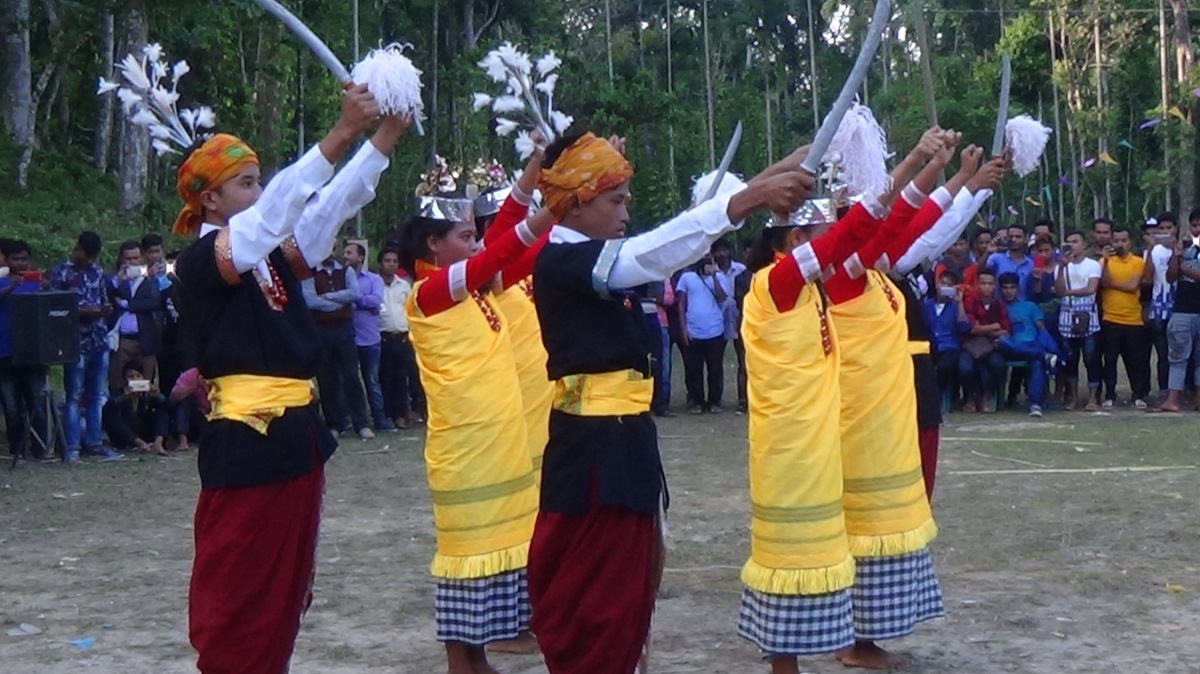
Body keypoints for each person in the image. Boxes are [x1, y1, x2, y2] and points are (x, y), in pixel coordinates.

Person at [527, 129, 815, 674]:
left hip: (621, 441)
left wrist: (769, 175)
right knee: (594, 604)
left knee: (624, 596)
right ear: (579, 201)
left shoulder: (585, 256)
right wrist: (753, 197)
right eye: (615, 199)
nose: (626, 209)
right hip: (593, 453)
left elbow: (676, 234)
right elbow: (655, 252)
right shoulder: (562, 262)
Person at [173, 86, 406, 674]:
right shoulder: (205, 262)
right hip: (247, 445)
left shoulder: (268, 258)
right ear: (210, 202)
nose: (260, 191)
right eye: (246, 183)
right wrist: (340, 132)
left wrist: (382, 140)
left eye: (258, 180)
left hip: (295, 438)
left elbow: (324, 212)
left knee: (284, 592)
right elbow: (279, 210)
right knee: (241, 595)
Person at [736, 171, 893, 672]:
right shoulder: (776, 282)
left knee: (817, 548)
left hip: (815, 434)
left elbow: (864, 236)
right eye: (822, 234)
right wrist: (907, 167)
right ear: (797, 241)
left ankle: (806, 651)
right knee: (788, 555)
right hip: (788, 443)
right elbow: (849, 237)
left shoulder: (804, 288)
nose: (832, 245)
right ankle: (784, 663)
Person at [397, 179, 554, 674]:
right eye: (465, 236)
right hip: (467, 448)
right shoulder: (432, 292)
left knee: (500, 548)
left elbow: (508, 240)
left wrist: (534, 175)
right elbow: (504, 245)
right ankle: (459, 660)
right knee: (466, 554)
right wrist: (552, 208)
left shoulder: (475, 288)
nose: (476, 244)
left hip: (496, 440)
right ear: (433, 244)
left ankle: (479, 655)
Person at [47, 231, 119, 461]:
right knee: (74, 396)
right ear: (78, 250)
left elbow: (103, 298)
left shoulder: (97, 271)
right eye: (86, 256)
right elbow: (54, 307)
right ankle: (73, 446)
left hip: (98, 340)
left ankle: (95, 443)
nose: (89, 261)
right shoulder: (60, 273)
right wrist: (85, 312)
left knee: (96, 395)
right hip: (74, 343)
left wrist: (104, 310)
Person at [0, 240, 49, 458]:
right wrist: (12, 287)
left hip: (33, 352)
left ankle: (40, 448)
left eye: (24, 259)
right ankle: (16, 448)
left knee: (37, 400)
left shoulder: (36, 281)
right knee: (11, 405)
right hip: (5, 351)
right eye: (15, 259)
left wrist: (46, 288)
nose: (20, 263)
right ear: (6, 260)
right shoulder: (1, 281)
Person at [344, 242, 395, 433]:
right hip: (347, 338)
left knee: (372, 381)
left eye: (350, 253)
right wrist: (359, 300)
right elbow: (368, 302)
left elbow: (376, 300)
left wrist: (351, 297)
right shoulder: (340, 278)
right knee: (349, 381)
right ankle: (353, 421)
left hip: (370, 339)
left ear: (361, 257)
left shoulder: (374, 279)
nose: (345, 256)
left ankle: (380, 421)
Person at [1099, 226, 1151, 408]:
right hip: (1110, 318)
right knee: (1110, 360)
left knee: (1135, 360)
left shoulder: (1138, 262)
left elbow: (1133, 286)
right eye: (1116, 241)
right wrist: (1105, 262)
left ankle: (1138, 395)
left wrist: (1112, 284)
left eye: (1124, 240)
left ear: (1130, 242)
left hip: (1133, 319)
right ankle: (1110, 395)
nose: (1120, 244)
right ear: (1111, 242)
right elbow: (1103, 282)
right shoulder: (1104, 262)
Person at [996, 272, 1058, 417]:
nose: (1009, 291)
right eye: (1005, 288)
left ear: (1017, 289)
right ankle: (1044, 356)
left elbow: (1041, 328)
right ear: (1000, 289)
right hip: (1009, 346)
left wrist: (1046, 342)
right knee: (1003, 341)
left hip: (1031, 344)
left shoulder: (1029, 306)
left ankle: (1035, 404)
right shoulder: (997, 307)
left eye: (1012, 287)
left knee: (1036, 361)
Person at [676, 254, 732, 414]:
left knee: (715, 368)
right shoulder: (687, 278)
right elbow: (681, 304)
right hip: (694, 331)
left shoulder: (719, 277)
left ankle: (715, 401)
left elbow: (722, 297)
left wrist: (714, 277)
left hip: (715, 330)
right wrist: (683, 329)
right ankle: (697, 401)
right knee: (695, 369)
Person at [1055, 230, 1104, 411]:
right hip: (1066, 317)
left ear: (1084, 245)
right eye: (1068, 242)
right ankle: (1073, 398)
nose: (1072, 246)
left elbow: (1091, 288)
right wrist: (1061, 267)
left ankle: (1093, 398)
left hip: (1088, 316)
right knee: (1071, 360)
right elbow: (1058, 288)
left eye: (1075, 242)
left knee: (1091, 359)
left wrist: (1067, 293)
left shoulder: (1092, 265)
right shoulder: (1060, 267)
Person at [107, 240, 162, 394]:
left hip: (144, 339)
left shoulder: (150, 279)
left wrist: (127, 304)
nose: (132, 262)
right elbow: (106, 294)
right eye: (128, 259)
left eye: (136, 258)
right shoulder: (115, 279)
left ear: (142, 258)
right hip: (122, 341)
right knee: (116, 381)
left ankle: (142, 413)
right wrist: (118, 281)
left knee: (145, 386)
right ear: (121, 259)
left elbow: (153, 302)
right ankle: (119, 413)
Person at [1160, 209, 1200, 411]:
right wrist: (1176, 256)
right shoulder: (1184, 248)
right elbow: (1170, 277)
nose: (1198, 229)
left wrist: (1184, 268)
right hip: (1183, 310)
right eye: (1194, 225)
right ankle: (1172, 399)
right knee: (1177, 357)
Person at [377, 248, 421, 428]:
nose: (392, 264)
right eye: (388, 261)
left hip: (402, 337)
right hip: (382, 337)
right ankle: (387, 414)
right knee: (385, 377)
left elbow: (411, 309)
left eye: (395, 261)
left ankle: (401, 415)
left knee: (402, 377)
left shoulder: (403, 285)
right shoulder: (374, 283)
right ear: (380, 263)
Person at [959, 269, 1009, 413]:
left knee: (999, 365)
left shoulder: (998, 304)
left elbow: (1006, 329)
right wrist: (994, 326)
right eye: (983, 283)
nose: (986, 287)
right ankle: (970, 397)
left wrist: (982, 328)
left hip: (990, 346)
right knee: (965, 368)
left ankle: (986, 397)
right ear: (977, 284)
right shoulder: (970, 303)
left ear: (995, 286)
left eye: (990, 283)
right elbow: (969, 329)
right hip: (969, 345)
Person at [712, 236, 749, 413]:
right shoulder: (710, 272)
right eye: (718, 251)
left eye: (724, 250)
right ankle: (715, 399)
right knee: (716, 362)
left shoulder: (741, 270)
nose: (721, 254)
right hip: (717, 320)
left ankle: (742, 400)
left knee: (743, 360)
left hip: (738, 318)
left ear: (731, 251)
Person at [102, 362, 170, 455]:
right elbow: (107, 409)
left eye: (138, 376)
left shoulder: (147, 393)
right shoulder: (120, 392)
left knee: (162, 411)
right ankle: (139, 443)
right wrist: (124, 397)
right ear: (125, 380)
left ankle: (158, 444)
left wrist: (158, 396)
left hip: (144, 430)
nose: (135, 379)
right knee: (112, 416)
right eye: (131, 376)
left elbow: (169, 407)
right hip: (126, 434)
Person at [925, 270, 970, 410]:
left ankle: (935, 398)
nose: (944, 287)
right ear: (936, 284)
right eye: (942, 283)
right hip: (929, 345)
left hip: (950, 347)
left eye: (948, 285)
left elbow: (964, 327)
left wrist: (960, 302)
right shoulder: (927, 304)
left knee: (944, 366)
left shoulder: (956, 306)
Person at [1144, 213, 1177, 401]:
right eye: (1161, 229)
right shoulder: (1154, 251)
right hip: (1159, 307)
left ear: (1176, 229)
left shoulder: (1182, 249)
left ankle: (1181, 391)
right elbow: (1147, 279)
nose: (1165, 232)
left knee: (1180, 354)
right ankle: (1164, 391)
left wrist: (1175, 252)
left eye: (1169, 228)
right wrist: (1149, 249)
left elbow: (1175, 275)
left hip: (1179, 305)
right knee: (1162, 354)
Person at [986, 224, 1034, 300]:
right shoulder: (996, 258)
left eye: (1018, 237)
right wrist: (987, 253)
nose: (1014, 240)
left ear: (1026, 239)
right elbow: (981, 273)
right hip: (999, 307)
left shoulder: (1030, 264)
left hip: (1022, 307)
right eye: (1011, 237)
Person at [169, 366, 209, 448]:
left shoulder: (221, 377)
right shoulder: (190, 374)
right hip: (192, 416)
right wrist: (195, 386)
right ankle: (183, 440)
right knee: (185, 400)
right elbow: (173, 397)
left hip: (209, 417)